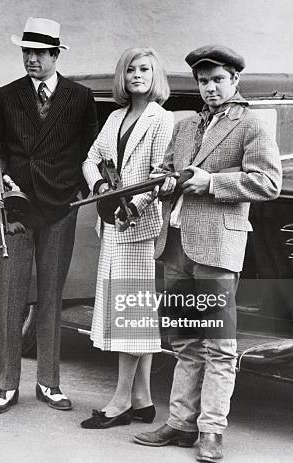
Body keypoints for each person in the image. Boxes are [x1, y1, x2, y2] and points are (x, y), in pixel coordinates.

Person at [132, 45, 282, 462]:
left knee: (219, 345)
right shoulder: (184, 127)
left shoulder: (250, 125)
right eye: (203, 81)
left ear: (235, 80)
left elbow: (268, 182)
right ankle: (179, 423)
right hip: (177, 245)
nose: (210, 87)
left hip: (217, 246)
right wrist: (163, 181)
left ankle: (212, 430)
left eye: (218, 79)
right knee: (183, 341)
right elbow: (164, 170)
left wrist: (211, 182)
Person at [0, 17, 98, 414]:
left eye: (38, 53)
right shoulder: (7, 95)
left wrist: (77, 190)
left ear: (54, 55)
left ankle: (49, 383)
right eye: (26, 52)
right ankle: (6, 385)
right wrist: (3, 182)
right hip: (15, 207)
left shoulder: (79, 98)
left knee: (51, 296)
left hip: (60, 207)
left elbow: (90, 151)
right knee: (11, 297)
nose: (31, 59)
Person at [79, 47, 173, 429]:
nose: (137, 75)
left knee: (131, 314)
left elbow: (158, 173)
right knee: (136, 313)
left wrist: (128, 205)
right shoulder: (116, 117)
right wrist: (102, 186)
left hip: (136, 225)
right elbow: (90, 159)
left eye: (145, 69)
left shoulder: (161, 119)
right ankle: (143, 400)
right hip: (113, 222)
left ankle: (119, 402)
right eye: (131, 69)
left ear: (155, 75)